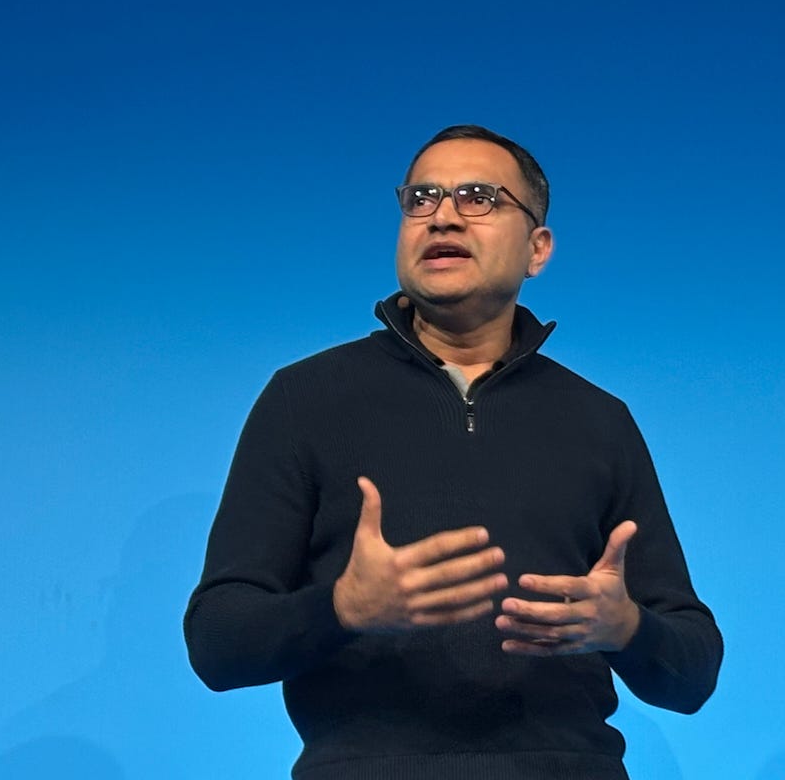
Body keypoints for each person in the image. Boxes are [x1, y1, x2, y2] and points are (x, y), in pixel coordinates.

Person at [184, 124, 723, 780]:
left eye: (478, 197)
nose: (442, 216)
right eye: (421, 198)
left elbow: (694, 670)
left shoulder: (599, 420)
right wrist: (341, 608)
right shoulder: (305, 399)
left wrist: (626, 627)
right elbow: (217, 641)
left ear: (537, 248)